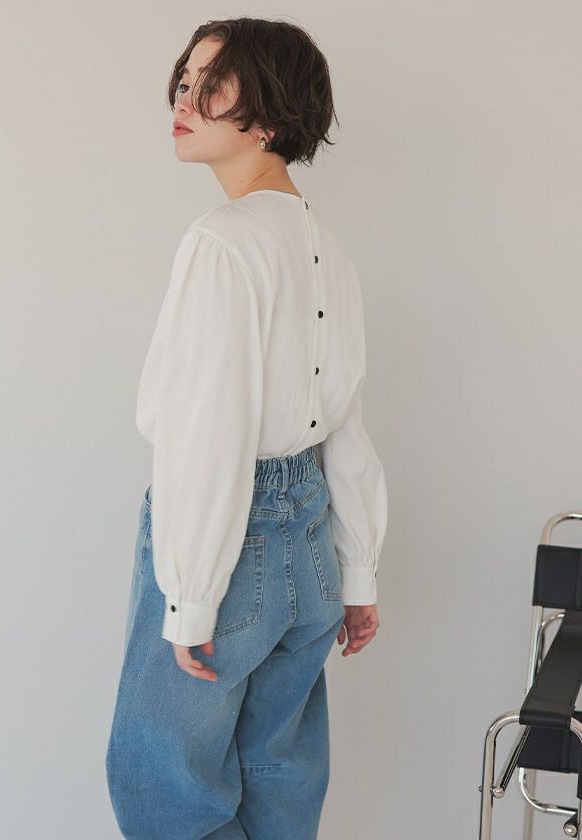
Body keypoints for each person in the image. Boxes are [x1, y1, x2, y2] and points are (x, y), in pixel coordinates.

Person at [105, 16, 388, 840]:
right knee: (280, 775)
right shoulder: (328, 247)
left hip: (229, 553)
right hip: (310, 552)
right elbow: (344, 425)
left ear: (269, 114)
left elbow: (207, 432)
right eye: (184, 79)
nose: (185, 99)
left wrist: (192, 598)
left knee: (165, 787)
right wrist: (357, 573)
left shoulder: (223, 244)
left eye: (214, 84)